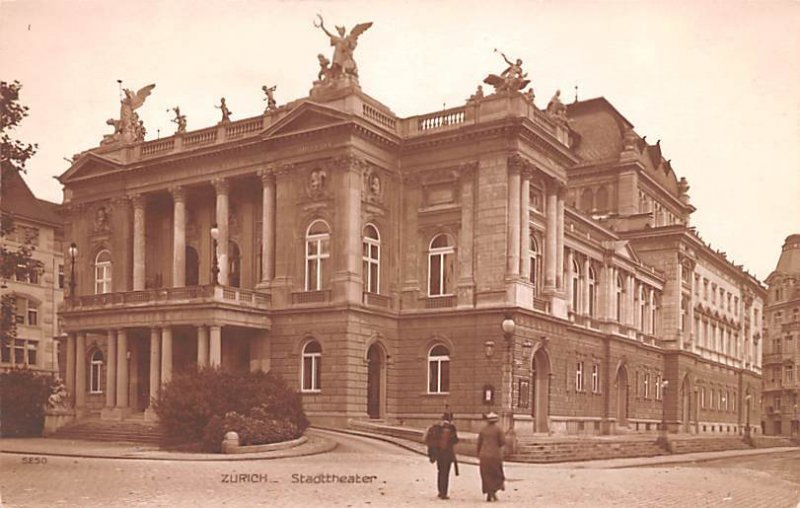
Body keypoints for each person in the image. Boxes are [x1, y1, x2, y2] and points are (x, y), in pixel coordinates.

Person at [424, 412, 459, 500]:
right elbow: (455, 440)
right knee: (445, 473)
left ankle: (440, 491)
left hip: (439, 454)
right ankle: (444, 493)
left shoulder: (437, 427)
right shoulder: (451, 428)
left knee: (440, 472)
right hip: (448, 454)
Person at [477, 412, 505, 502]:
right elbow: (502, 442)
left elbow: (479, 443)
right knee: (496, 474)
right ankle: (493, 492)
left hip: (484, 455)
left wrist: (478, 453)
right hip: (495, 455)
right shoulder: (499, 430)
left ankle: (489, 493)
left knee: (486, 474)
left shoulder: (483, 430)